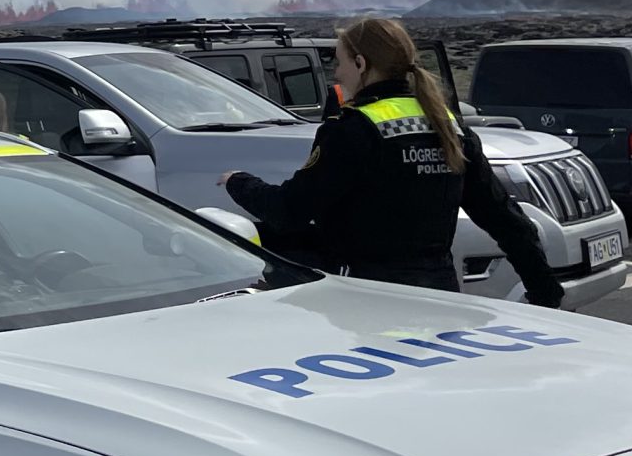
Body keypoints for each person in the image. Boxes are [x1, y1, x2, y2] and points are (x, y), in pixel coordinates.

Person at [222, 16, 564, 305]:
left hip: (369, 298)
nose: (337, 75)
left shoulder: (353, 128)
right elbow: (503, 217)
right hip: (439, 297)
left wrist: (238, 182)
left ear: (361, 64)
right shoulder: (447, 125)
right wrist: (544, 291)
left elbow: (291, 211)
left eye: (339, 63)